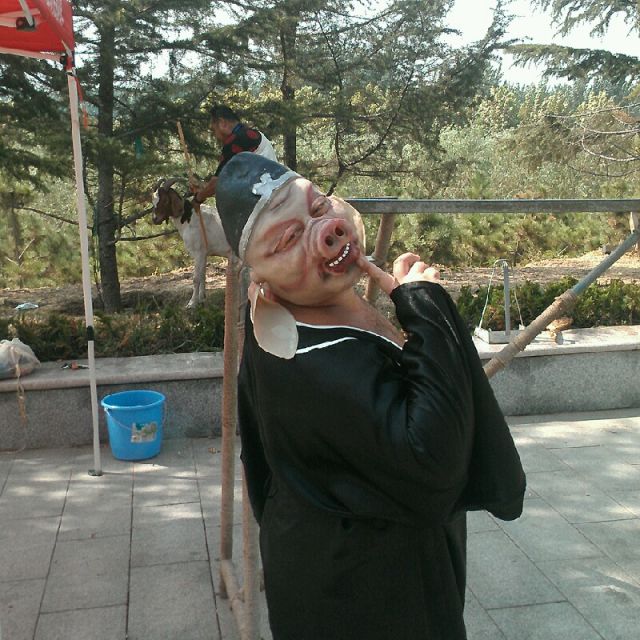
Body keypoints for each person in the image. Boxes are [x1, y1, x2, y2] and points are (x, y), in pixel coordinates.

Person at [215, 152, 526, 640]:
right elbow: (431, 464)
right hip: (366, 596)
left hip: (327, 563)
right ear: (261, 280)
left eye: (319, 208)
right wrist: (427, 307)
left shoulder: (285, 319)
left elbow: (263, 471)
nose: (327, 231)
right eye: (289, 239)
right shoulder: (306, 362)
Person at [191, 104, 277, 207]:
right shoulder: (252, 134)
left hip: (263, 202)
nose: (215, 136)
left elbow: (217, 183)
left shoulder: (235, 142)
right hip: (274, 191)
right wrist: (203, 188)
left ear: (222, 123)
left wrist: (198, 198)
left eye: (214, 130)